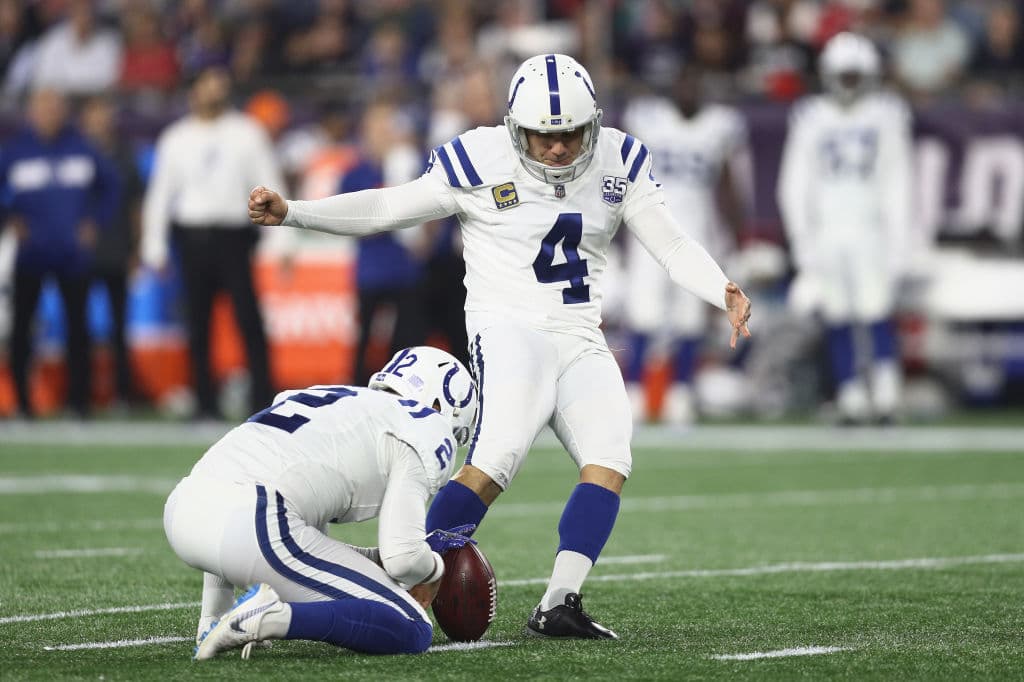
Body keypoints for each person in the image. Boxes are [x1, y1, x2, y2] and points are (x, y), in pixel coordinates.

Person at [249, 53, 752, 639]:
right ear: (517, 127)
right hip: (508, 325)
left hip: (579, 331)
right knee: (495, 461)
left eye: (571, 135)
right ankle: (397, 576)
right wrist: (295, 214)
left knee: (611, 456)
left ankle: (559, 602)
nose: (559, 149)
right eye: (544, 136)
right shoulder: (480, 158)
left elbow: (671, 244)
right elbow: (389, 206)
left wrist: (722, 288)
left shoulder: (620, 157)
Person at [165, 346, 477, 660]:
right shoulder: (426, 424)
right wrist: (435, 568)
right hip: (255, 524)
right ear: (441, 405)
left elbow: (308, 543)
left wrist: (214, 613)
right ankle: (269, 616)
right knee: (412, 625)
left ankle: (216, 621)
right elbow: (405, 560)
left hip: (184, 511)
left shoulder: (324, 397)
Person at [778, 33, 913, 425]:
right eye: (844, 75)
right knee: (836, 314)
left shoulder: (886, 114)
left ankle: (887, 394)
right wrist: (802, 239)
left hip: (871, 227)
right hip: (827, 229)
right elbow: (794, 184)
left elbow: (898, 181)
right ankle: (851, 394)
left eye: (855, 76)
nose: (849, 83)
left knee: (877, 311)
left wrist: (901, 239)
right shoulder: (811, 116)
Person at [141, 66, 285, 419]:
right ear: (194, 91)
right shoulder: (176, 137)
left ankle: (261, 398)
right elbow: (160, 195)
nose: (216, 90)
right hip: (192, 237)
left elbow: (268, 182)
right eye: (209, 84)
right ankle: (205, 402)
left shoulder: (246, 132)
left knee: (248, 320)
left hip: (234, 236)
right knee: (198, 324)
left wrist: (284, 240)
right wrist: (154, 246)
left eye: (221, 83)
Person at [620, 66, 751, 424]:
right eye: (682, 81)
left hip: (696, 233)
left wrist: (738, 238)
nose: (688, 89)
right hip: (648, 230)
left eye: (694, 82)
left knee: (690, 318)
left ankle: (681, 392)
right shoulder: (647, 119)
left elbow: (727, 185)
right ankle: (636, 392)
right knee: (643, 313)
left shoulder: (718, 126)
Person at [0, 88, 118, 418]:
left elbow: (111, 187)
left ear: (64, 111)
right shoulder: (16, 151)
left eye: (55, 106)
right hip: (31, 253)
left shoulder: (82, 147)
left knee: (78, 329)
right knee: (22, 330)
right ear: (31, 112)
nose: (49, 113)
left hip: (72, 254)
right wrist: (10, 219)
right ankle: (22, 404)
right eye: (43, 106)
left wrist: (95, 222)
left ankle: (79, 404)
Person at [80, 95, 142, 410]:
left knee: (119, 326)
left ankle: (121, 393)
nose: (100, 121)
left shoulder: (124, 156)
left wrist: (136, 248)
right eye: (95, 114)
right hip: (80, 253)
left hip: (116, 249)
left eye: (104, 114)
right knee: (79, 325)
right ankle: (80, 395)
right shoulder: (74, 155)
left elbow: (135, 207)